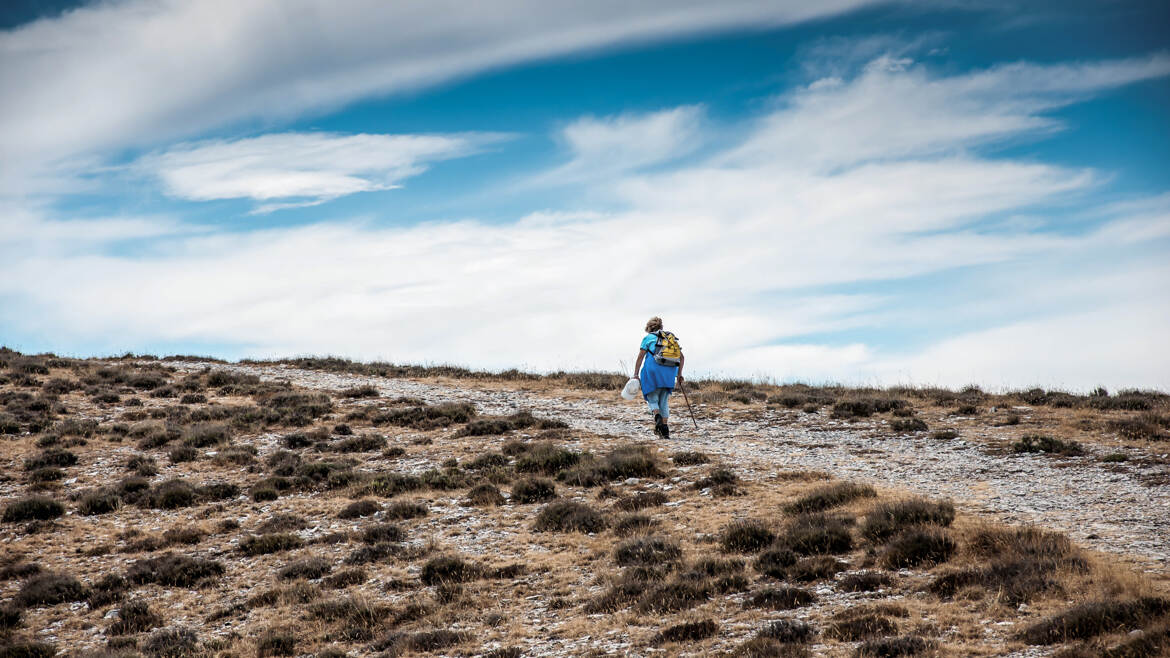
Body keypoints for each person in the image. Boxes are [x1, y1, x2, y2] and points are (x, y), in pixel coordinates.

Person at [633, 316, 684, 439]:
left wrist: (635, 374)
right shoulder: (670, 339)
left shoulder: (648, 338)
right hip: (669, 373)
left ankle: (657, 416)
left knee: (652, 397)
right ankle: (665, 431)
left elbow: (640, 357)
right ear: (661, 327)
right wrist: (679, 375)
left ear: (648, 328)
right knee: (664, 401)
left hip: (652, 371)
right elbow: (682, 357)